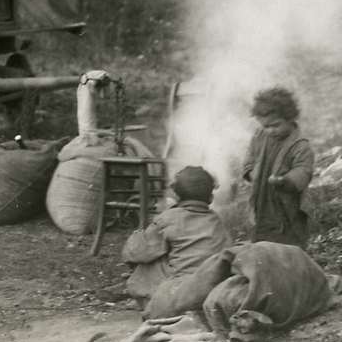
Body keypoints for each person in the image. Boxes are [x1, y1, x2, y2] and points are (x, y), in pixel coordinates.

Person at [116, 166, 233, 305]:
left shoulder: (169, 218)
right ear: (210, 198)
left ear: (176, 196)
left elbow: (136, 253)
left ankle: (147, 298)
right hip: (211, 288)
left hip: (177, 292)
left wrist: (138, 235)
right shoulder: (216, 221)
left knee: (146, 258)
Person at [242, 86, 315, 249]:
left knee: (288, 240)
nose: (270, 131)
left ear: (290, 118)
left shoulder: (300, 145)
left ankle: (291, 266)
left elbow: (304, 170)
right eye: (265, 126)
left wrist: (285, 180)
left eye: (275, 125)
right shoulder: (259, 136)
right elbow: (250, 157)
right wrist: (250, 172)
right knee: (261, 235)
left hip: (286, 203)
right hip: (262, 197)